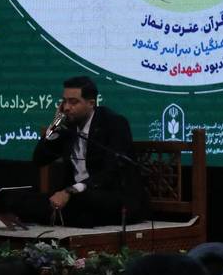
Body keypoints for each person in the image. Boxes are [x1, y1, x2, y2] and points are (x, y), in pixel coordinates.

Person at [15, 75, 147, 227]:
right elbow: (39, 159)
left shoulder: (113, 123)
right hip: (76, 198)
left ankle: (58, 216)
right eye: (64, 101)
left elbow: (110, 173)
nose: (66, 107)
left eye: (73, 102)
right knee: (25, 201)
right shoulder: (67, 125)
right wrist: (55, 124)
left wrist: (70, 191)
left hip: (110, 195)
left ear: (91, 103)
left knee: (80, 206)